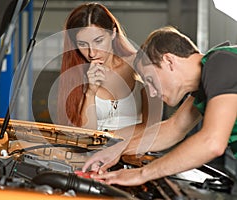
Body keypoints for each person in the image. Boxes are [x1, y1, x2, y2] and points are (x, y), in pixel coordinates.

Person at [82, 26, 237, 186]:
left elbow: (211, 142)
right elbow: (174, 128)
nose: (152, 93)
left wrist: (142, 174)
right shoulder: (206, 83)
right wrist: (117, 149)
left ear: (169, 61)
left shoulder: (221, 63)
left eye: (149, 79)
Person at [57, 2, 148, 132]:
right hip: (94, 151)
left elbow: (151, 127)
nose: (92, 53)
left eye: (98, 41)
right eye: (82, 44)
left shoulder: (137, 65)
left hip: (135, 149)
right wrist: (90, 92)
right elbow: (85, 135)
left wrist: (112, 137)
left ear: (113, 33)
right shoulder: (75, 75)